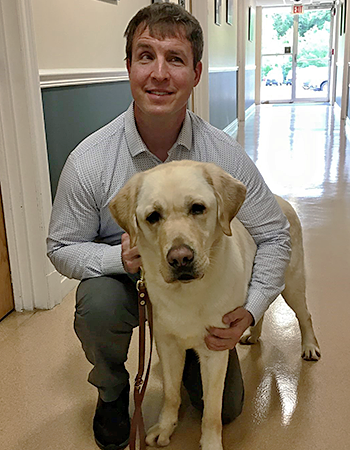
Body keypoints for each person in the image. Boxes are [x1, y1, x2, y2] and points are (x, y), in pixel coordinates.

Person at [47, 3, 291, 450]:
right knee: (97, 303)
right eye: (146, 56)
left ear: (197, 73)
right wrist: (116, 257)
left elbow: (275, 234)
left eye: (175, 59)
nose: (159, 73)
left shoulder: (223, 157)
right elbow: (60, 246)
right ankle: (112, 393)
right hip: (128, 284)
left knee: (230, 406)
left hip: (205, 294)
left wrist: (251, 309)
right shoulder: (89, 161)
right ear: (129, 67)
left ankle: (195, 378)